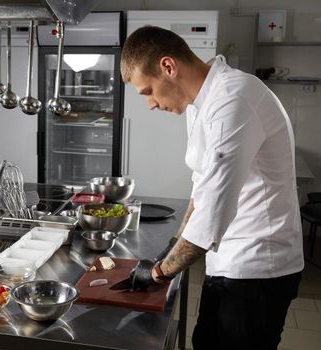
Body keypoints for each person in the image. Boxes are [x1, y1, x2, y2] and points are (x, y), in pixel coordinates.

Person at [120, 25, 304, 350]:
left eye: (147, 91)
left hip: (258, 269)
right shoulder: (201, 104)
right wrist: (171, 246)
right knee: (204, 341)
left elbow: (212, 215)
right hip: (228, 261)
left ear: (168, 67)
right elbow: (202, 190)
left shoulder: (234, 98)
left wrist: (159, 273)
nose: (150, 104)